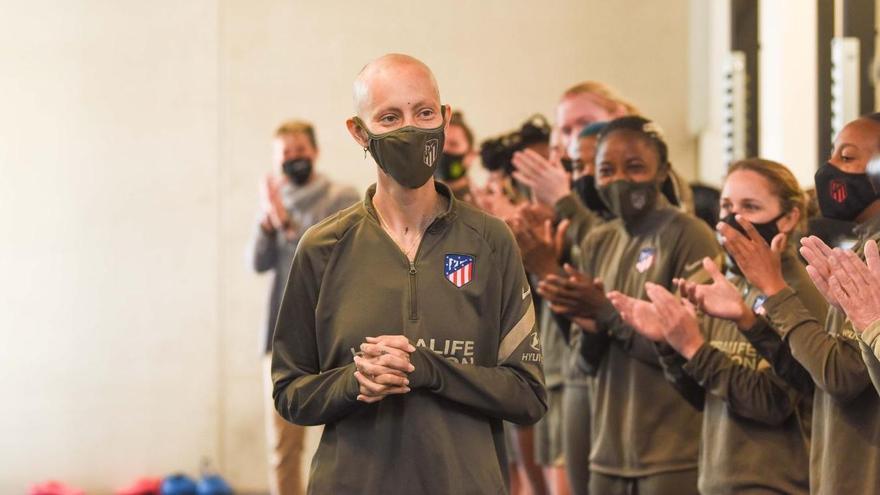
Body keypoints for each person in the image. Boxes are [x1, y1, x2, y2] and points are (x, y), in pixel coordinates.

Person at [270, 53, 547, 495]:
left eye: (423, 113)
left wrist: (431, 370)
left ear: (445, 118)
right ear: (359, 132)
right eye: (389, 117)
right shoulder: (322, 248)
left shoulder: (491, 241)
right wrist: (353, 381)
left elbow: (528, 395)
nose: (411, 129)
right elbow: (290, 393)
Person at [609, 158, 827, 494]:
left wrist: (694, 347)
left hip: (775, 482)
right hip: (718, 478)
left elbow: (772, 404)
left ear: (788, 217)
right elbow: (703, 396)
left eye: (750, 207)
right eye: (727, 205)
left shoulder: (798, 294)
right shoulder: (727, 283)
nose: (732, 219)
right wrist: (670, 343)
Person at [690, 113, 880, 493]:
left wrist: (774, 289)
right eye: (727, 205)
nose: (828, 170)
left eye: (846, 158)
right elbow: (808, 374)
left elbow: (839, 377)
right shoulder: (861, 249)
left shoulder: (872, 257)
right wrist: (747, 322)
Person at [538, 116, 719, 495]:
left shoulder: (688, 234)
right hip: (607, 452)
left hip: (671, 453)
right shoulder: (598, 241)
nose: (619, 180)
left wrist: (605, 314)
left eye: (634, 167)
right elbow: (583, 362)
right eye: (606, 170)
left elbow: (692, 353)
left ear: (662, 171)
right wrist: (586, 324)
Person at [249, 120, 359, 495]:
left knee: (350, 440)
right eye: (286, 154)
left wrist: (286, 223)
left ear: (315, 151)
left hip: (334, 337)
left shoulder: (341, 199)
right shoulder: (274, 205)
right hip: (282, 340)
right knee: (283, 446)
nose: (294, 159)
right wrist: (268, 223)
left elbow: (326, 261)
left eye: (300, 151)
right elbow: (258, 263)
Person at [434, 110, 477, 202]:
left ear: (470, 155)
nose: (443, 150)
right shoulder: (417, 201)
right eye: (440, 143)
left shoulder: (481, 204)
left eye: (453, 144)